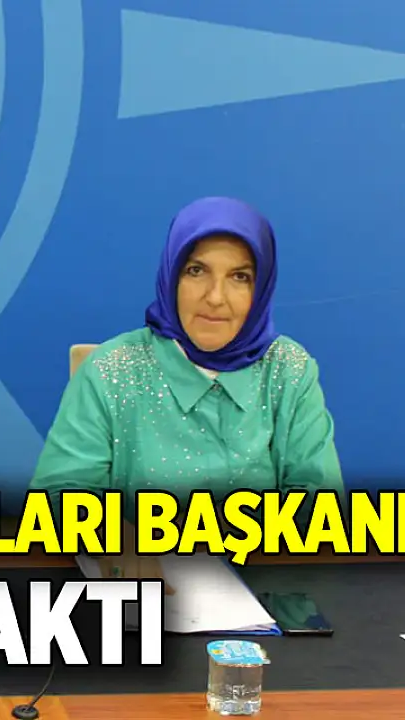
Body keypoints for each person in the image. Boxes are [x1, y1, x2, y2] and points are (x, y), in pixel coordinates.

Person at [29, 196, 343, 582]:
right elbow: (58, 496)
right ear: (172, 276)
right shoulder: (112, 369)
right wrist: (114, 538)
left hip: (266, 592)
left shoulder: (289, 369)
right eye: (196, 271)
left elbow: (323, 504)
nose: (215, 297)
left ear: (261, 289)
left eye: (240, 277)